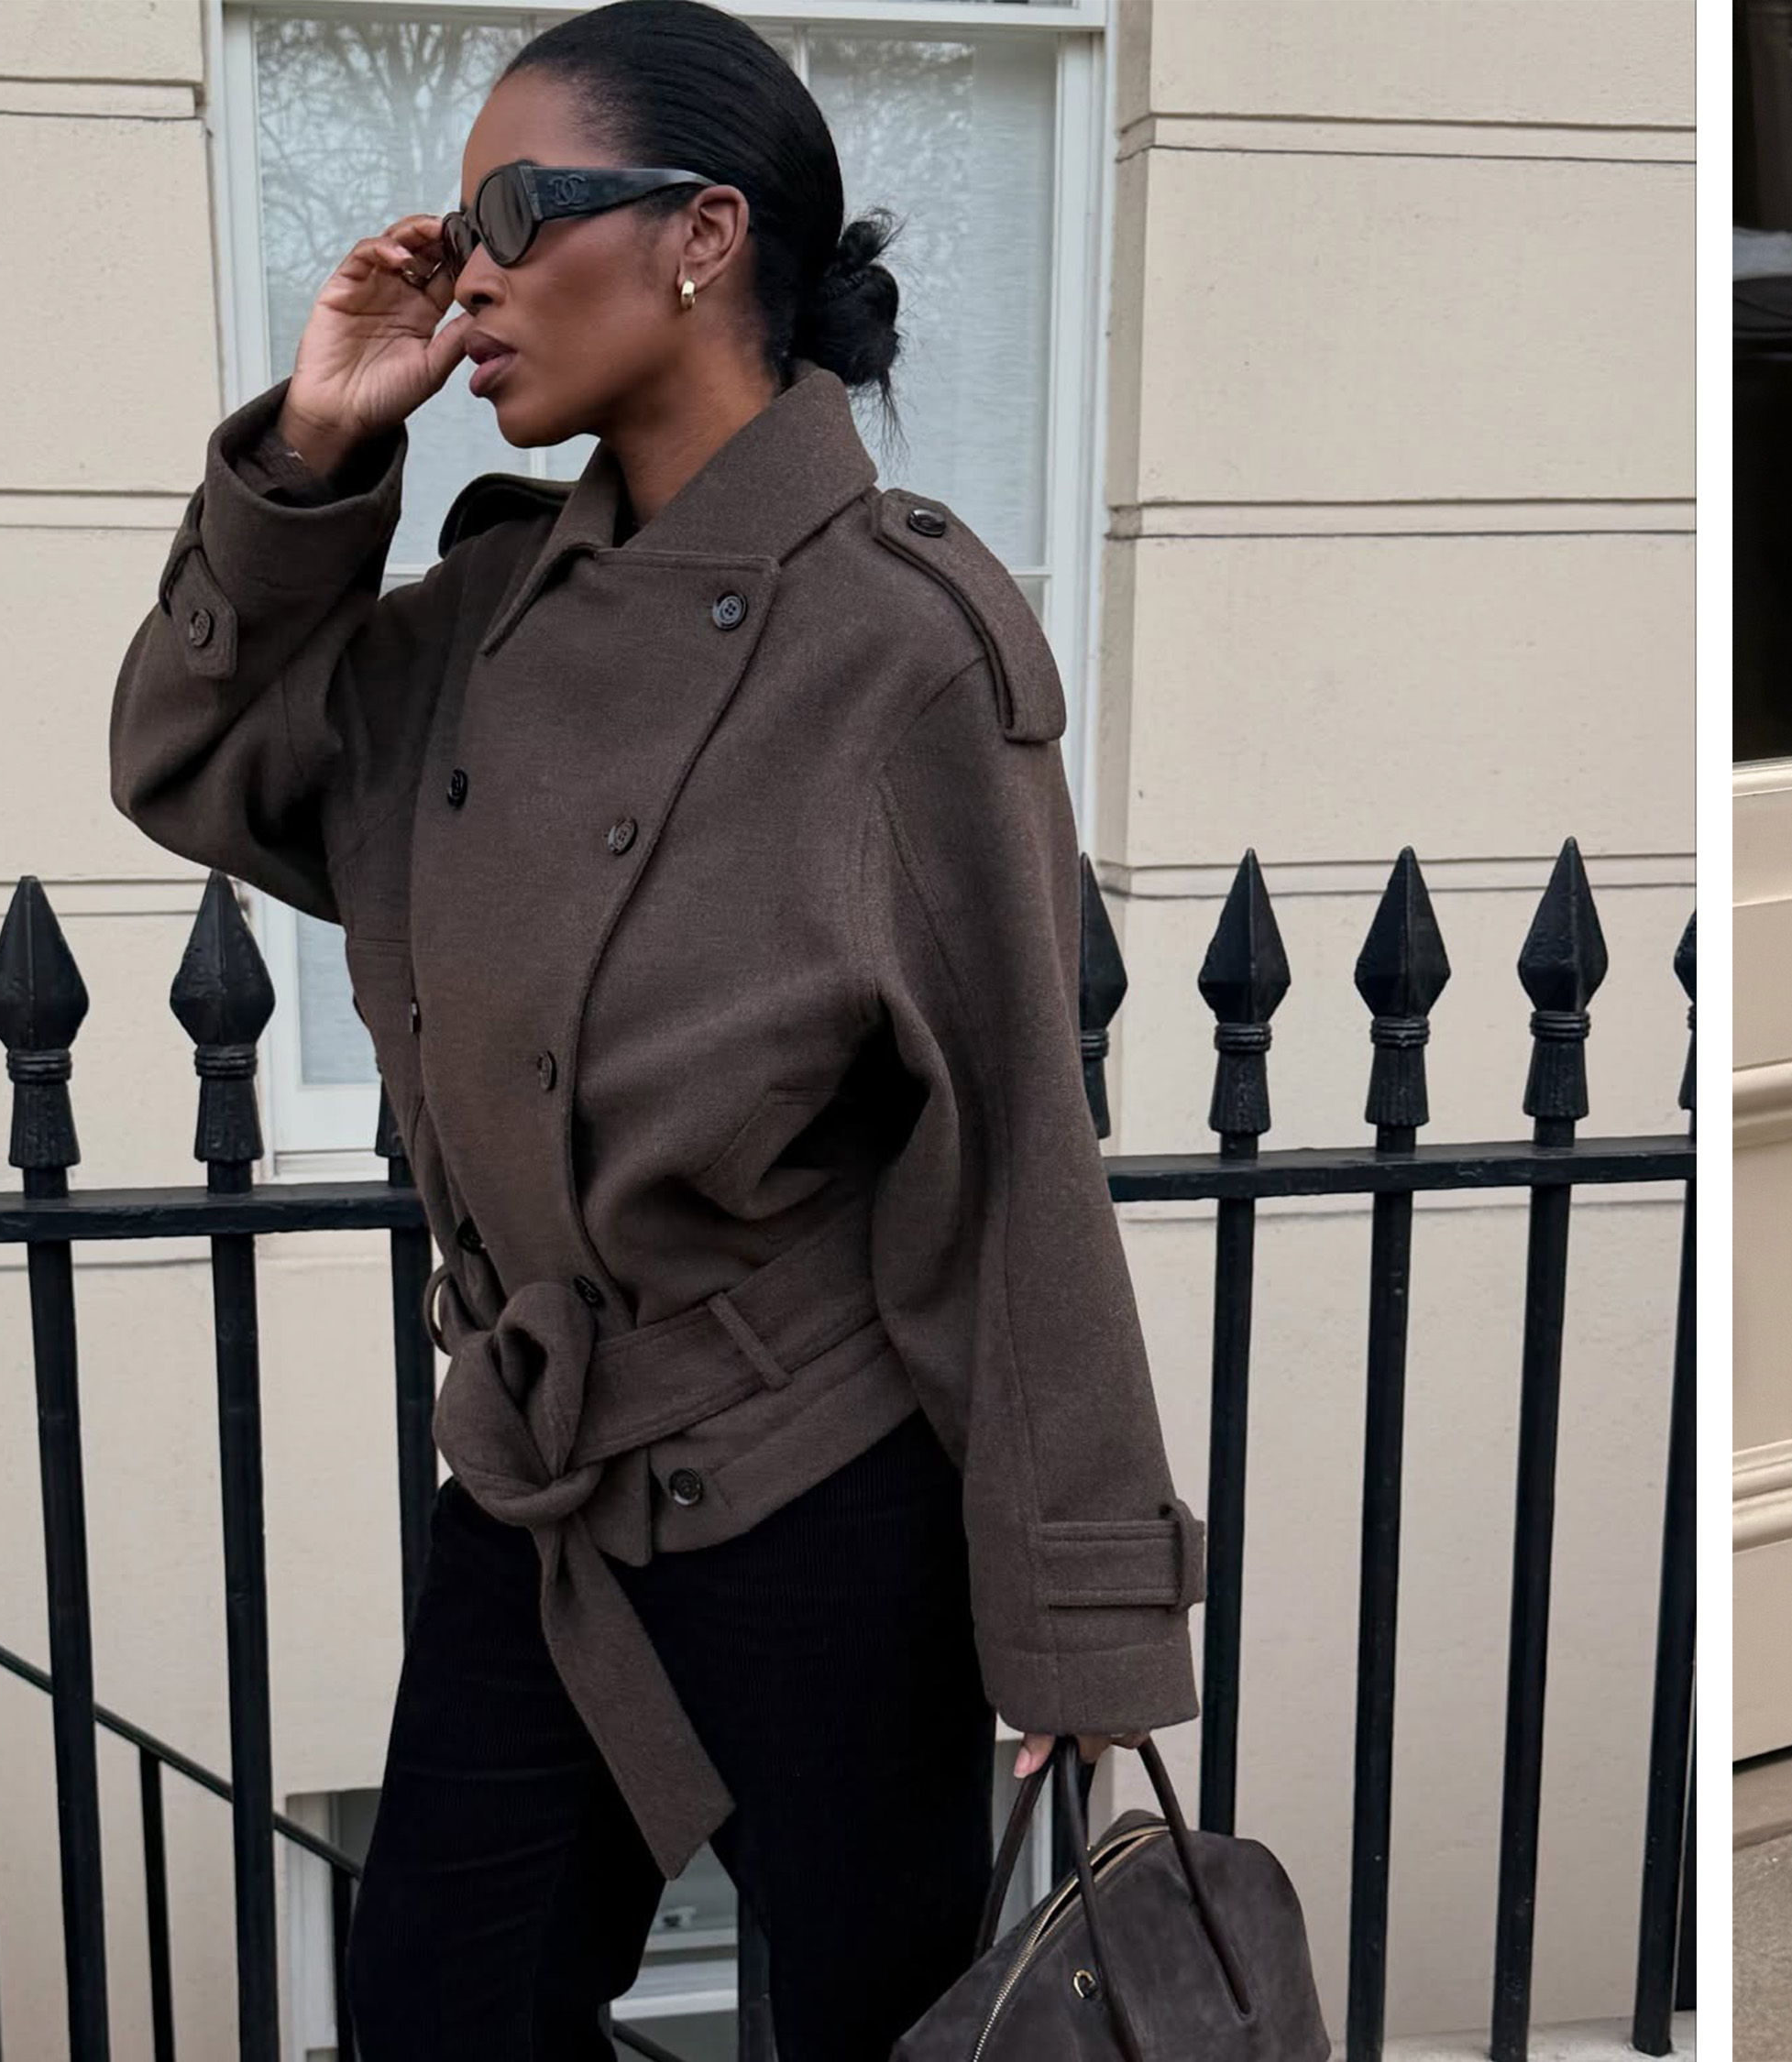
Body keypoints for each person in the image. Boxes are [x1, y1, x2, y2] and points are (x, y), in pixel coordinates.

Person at [104, 4, 1204, 2052]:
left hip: (821, 1504)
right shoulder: (479, 624)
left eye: (515, 213)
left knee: (881, 2026)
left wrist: (1078, 1626)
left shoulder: (902, 643)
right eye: (454, 224)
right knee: (443, 2014)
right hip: (533, 1492)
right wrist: (322, 447)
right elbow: (197, 764)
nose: (470, 273)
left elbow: (1015, 1159)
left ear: (702, 237)